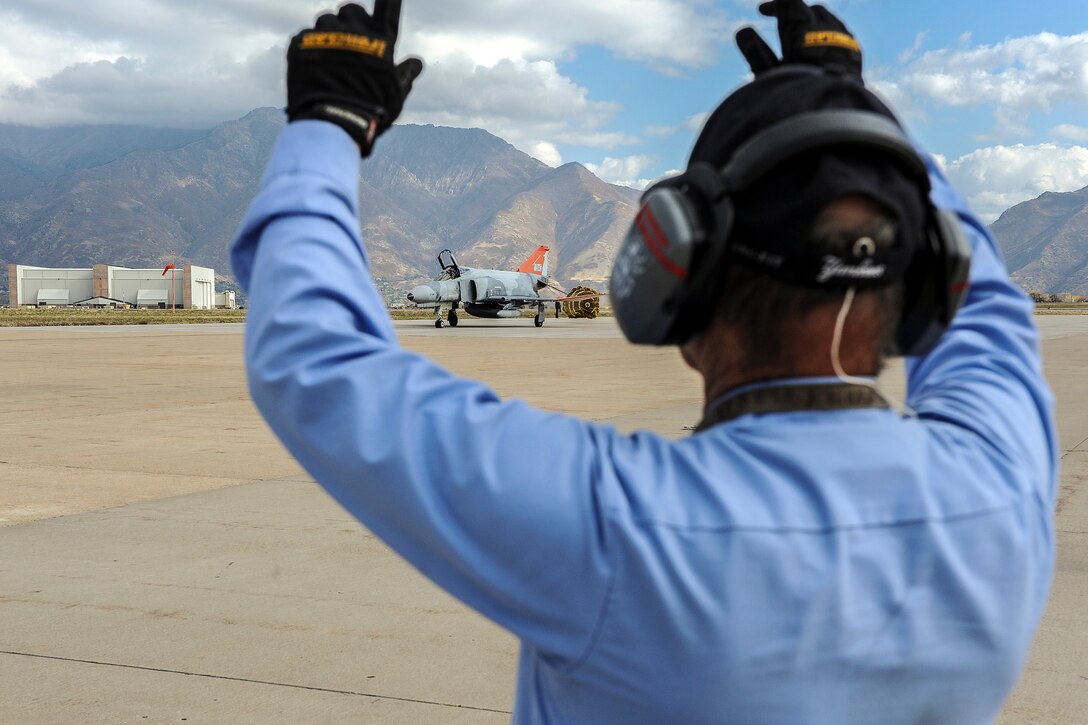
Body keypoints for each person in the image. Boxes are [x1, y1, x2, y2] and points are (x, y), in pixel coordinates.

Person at [232, 1, 1057, 722]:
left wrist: (328, 122)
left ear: (680, 279)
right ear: (923, 284)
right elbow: (987, 306)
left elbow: (315, 356)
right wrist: (855, 110)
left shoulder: (616, 527)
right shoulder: (1003, 484)